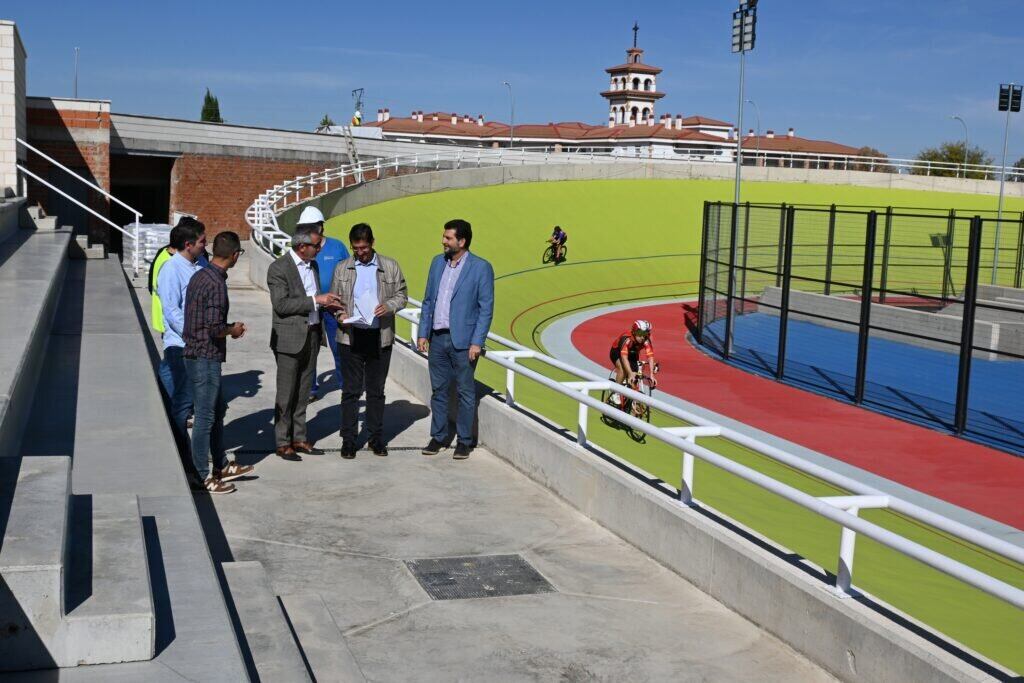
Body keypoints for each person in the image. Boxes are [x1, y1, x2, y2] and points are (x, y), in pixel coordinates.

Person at [183, 231, 255, 493]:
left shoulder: (200, 275)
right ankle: (201, 476)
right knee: (204, 416)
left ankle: (221, 465)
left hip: (196, 353)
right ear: (235, 255)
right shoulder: (215, 284)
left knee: (218, 409)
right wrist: (233, 329)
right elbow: (214, 328)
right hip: (205, 357)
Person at [416, 219, 494, 460]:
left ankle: (464, 441)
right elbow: (429, 300)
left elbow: (485, 308)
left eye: (448, 238)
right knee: (439, 390)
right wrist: (422, 332)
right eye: (444, 237)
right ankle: (438, 437)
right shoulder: (437, 263)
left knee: (465, 393)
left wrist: (477, 342)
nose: (443, 241)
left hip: (464, 342)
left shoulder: (481, 268)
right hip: (437, 339)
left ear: (462, 241)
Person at [330, 223, 408, 458]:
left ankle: (376, 438)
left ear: (372, 243)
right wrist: (340, 314)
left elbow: (402, 295)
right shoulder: (342, 268)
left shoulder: (390, 266)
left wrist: (389, 306)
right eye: (356, 249)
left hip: (379, 336)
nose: (360, 253)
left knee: (376, 391)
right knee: (351, 391)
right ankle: (349, 440)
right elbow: (334, 301)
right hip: (350, 336)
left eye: (364, 248)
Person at [267, 224, 342, 461]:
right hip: (289, 339)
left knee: (302, 392)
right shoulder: (279, 268)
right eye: (316, 245)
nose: (320, 248)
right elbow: (282, 305)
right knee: (286, 393)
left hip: (311, 335)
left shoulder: (313, 266)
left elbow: (314, 300)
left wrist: (325, 303)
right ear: (302, 247)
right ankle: (282, 442)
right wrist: (315, 300)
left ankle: (299, 438)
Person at [156, 218, 207, 456]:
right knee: (183, 402)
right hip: (181, 345)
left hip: (200, 344)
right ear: (188, 244)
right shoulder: (171, 269)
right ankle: (180, 454)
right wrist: (193, 335)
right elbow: (171, 309)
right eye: (202, 242)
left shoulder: (198, 267)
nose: (205, 246)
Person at [297, 206, 349, 403]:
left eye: (310, 227)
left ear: (320, 227)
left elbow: (350, 272)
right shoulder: (301, 249)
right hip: (311, 306)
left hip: (333, 308)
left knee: (340, 347)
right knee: (309, 350)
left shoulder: (337, 247)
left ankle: (346, 385)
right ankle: (310, 388)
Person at [609, 319, 659, 408]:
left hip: (633, 353)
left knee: (635, 376)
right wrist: (630, 373)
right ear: (634, 332)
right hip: (617, 352)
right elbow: (624, 357)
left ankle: (631, 401)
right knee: (623, 370)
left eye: (645, 334)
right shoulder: (626, 338)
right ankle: (615, 393)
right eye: (640, 334)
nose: (642, 337)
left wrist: (652, 374)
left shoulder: (646, 340)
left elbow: (650, 356)